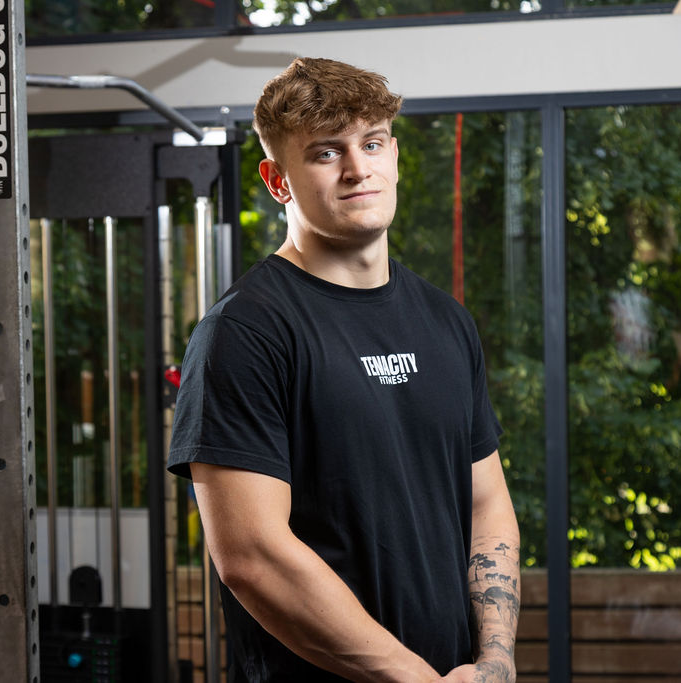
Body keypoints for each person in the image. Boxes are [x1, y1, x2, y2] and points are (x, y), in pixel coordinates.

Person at [167, 57, 520, 682]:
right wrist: (415, 680)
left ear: (394, 156)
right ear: (278, 181)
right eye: (327, 153)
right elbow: (253, 556)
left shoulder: (446, 321)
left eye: (373, 143)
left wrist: (493, 662)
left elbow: (487, 503)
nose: (360, 169)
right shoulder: (243, 333)